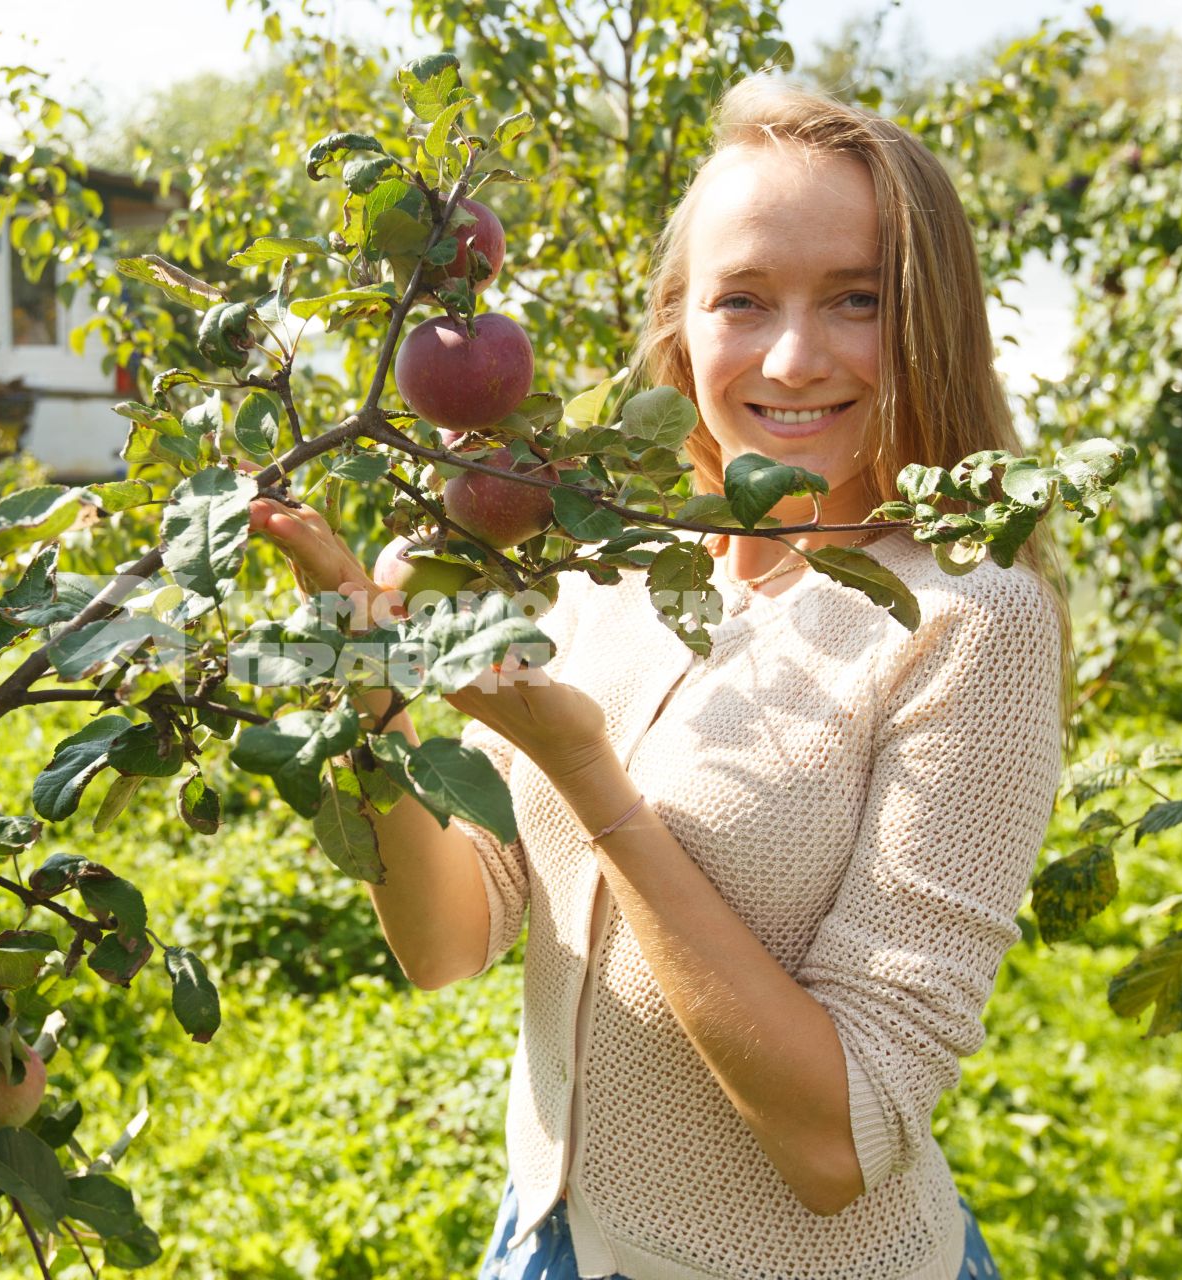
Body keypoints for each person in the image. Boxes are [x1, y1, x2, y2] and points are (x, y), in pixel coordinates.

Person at [246, 76, 1065, 1280]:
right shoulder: (623, 567)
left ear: (930, 322)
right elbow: (450, 936)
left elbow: (841, 1141)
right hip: (545, 1238)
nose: (793, 355)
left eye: (857, 299)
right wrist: (364, 666)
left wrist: (590, 776)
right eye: (744, 298)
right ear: (681, 322)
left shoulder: (967, 619)